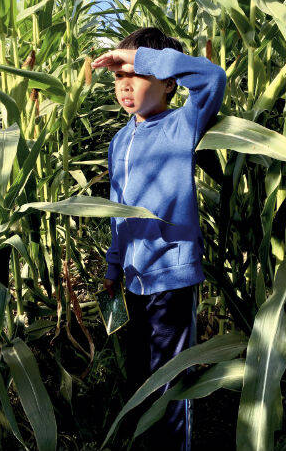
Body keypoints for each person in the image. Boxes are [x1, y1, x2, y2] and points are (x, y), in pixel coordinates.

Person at [91, 27, 227, 451]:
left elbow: (213, 79)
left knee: (171, 382)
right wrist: (114, 267)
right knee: (144, 375)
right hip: (134, 278)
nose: (125, 83)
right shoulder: (119, 142)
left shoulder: (183, 123)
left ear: (168, 81)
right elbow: (118, 210)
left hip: (172, 278)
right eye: (118, 75)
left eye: (135, 72)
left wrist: (142, 58)